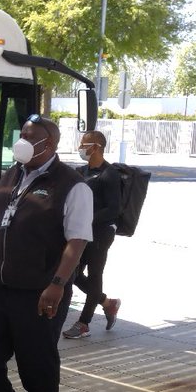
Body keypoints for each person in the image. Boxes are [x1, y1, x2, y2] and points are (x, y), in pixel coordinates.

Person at [0, 114, 92, 392]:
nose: (22, 140)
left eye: (31, 136)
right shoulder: (12, 174)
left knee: (35, 356)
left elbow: (77, 241)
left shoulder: (71, 185)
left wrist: (57, 284)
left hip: (39, 288)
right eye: (22, 133)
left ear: (49, 144)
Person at [61, 129, 123, 339]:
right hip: (82, 231)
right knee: (74, 273)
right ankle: (107, 303)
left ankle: (84, 323)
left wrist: (88, 219)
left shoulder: (109, 174)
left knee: (95, 275)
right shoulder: (82, 172)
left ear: (96, 147)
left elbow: (114, 209)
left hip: (100, 233)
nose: (81, 148)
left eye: (84, 144)